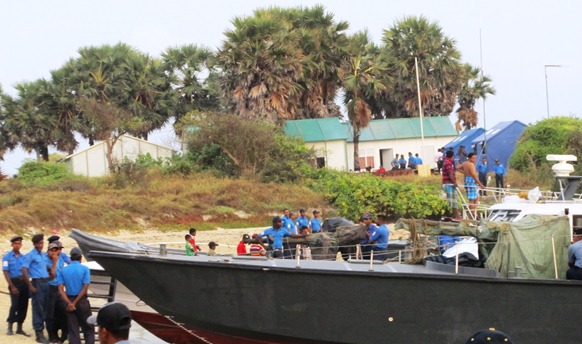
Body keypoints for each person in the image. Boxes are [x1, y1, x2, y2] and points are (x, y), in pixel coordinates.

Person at [22, 233, 58, 344]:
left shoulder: (42, 255)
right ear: (34, 244)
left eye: (42, 243)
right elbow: (24, 270)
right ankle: (39, 333)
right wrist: (30, 285)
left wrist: (52, 266)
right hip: (37, 282)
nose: (41, 245)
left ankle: (42, 331)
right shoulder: (30, 255)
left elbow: (45, 268)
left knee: (45, 308)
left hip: (46, 282)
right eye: (39, 243)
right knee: (38, 308)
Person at [57, 248, 94, 344]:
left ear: (71, 258)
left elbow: (61, 290)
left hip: (69, 300)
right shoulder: (85, 269)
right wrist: (75, 302)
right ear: (81, 258)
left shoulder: (63, 270)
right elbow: (85, 288)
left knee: (73, 330)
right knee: (88, 328)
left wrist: (70, 303)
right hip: (81, 301)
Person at [2, 235, 30, 337]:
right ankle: (10, 325)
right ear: (12, 244)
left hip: (24, 283)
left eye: (19, 244)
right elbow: (5, 272)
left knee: (23, 305)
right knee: (14, 305)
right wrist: (12, 286)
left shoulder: (24, 257)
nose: (17, 245)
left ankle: (19, 327)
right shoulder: (7, 257)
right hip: (14, 282)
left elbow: (26, 271)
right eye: (15, 244)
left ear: (21, 245)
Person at [46, 241, 69, 344]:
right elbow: (52, 275)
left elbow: (62, 274)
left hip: (59, 288)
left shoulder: (60, 260)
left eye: (56, 250)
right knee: (50, 314)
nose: (54, 253)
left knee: (62, 312)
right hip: (49, 287)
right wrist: (54, 262)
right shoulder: (45, 261)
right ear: (48, 251)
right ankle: (51, 335)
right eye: (52, 250)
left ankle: (63, 335)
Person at [456, 152, 486, 219]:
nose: (474, 159)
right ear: (469, 158)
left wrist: (464, 172)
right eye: (473, 158)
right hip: (471, 181)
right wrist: (480, 184)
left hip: (467, 180)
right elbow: (474, 175)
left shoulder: (465, 163)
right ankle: (471, 214)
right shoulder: (471, 164)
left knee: (477, 197)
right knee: (471, 199)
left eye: (475, 158)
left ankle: (473, 211)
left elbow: (457, 167)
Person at [442, 150, 460, 219]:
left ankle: (455, 215)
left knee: (452, 200)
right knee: (453, 201)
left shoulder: (446, 162)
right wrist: (454, 182)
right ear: (452, 156)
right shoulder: (448, 163)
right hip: (449, 184)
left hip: (448, 183)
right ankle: (456, 216)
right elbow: (450, 173)